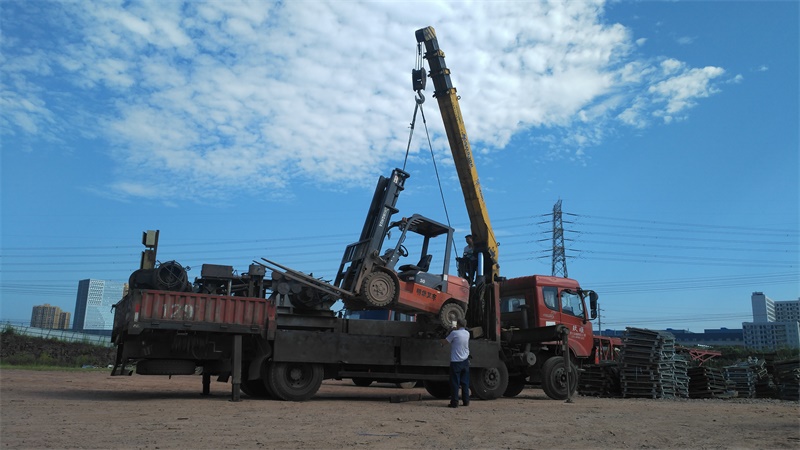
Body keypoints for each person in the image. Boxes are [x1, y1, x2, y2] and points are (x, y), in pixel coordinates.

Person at [443, 317, 470, 408]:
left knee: (455, 383)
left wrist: (449, 332)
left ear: (458, 324)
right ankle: (466, 401)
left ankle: (454, 402)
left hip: (456, 362)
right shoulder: (467, 333)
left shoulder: (454, 333)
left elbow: (445, 342)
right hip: (465, 361)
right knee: (465, 382)